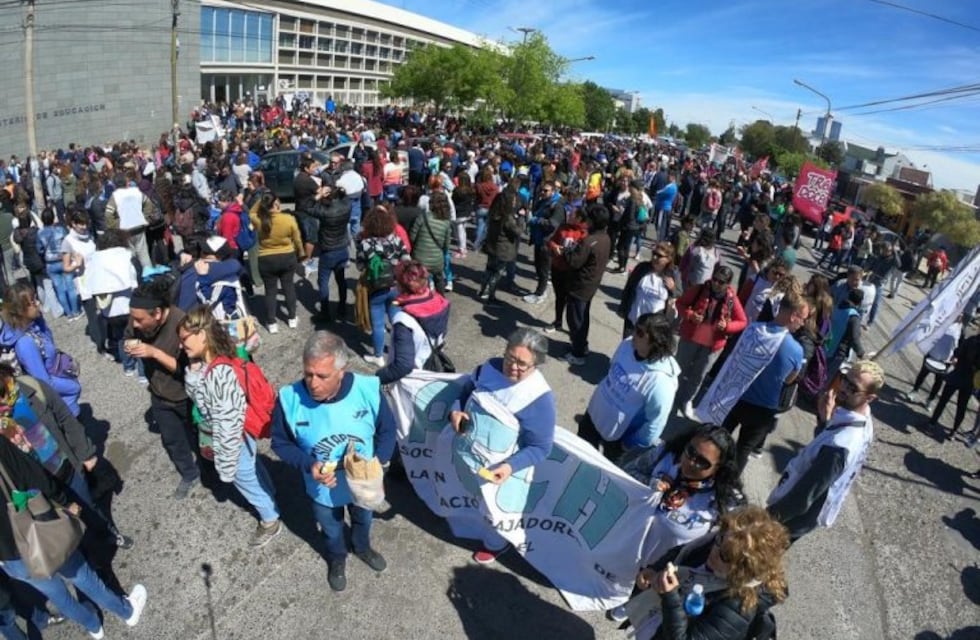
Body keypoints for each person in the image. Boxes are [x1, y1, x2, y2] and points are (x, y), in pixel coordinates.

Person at [271, 331, 396, 592]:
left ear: (341, 371)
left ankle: (362, 547)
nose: (312, 383)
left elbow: (387, 430)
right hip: (322, 487)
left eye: (322, 376)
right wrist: (308, 464)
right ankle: (337, 558)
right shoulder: (289, 398)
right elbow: (280, 443)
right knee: (331, 527)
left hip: (362, 482)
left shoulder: (367, 389)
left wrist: (379, 462)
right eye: (308, 373)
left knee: (363, 518)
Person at [0, 436, 147, 640]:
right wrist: (64, 501)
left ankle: (93, 626)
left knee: (57, 594)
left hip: (9, 557)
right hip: (37, 528)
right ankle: (127, 612)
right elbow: (34, 475)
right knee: (81, 576)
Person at [448, 328, 556, 564]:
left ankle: (496, 544)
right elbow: (466, 390)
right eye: (509, 357)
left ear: (536, 365)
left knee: (494, 510)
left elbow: (540, 447)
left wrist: (509, 466)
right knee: (470, 495)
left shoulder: (540, 399)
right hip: (469, 453)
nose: (512, 367)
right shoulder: (490, 366)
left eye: (521, 364)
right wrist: (456, 409)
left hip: (500, 468)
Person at [178, 306, 282, 547]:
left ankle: (270, 520)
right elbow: (203, 402)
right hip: (245, 432)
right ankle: (270, 492)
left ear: (202, 335)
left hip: (234, 438)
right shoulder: (220, 355)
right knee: (252, 466)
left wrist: (225, 467)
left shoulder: (219, 374)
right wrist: (193, 374)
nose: (181, 345)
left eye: (184, 339)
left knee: (244, 478)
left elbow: (226, 423)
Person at [633, 506, 789, 640]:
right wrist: (656, 568)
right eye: (719, 539)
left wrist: (670, 598)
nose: (714, 552)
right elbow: (682, 553)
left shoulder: (737, 608)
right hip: (656, 623)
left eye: (725, 556)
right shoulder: (722, 543)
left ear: (743, 570)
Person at [768, 360, 883, 542]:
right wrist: (824, 421)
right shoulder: (864, 419)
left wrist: (767, 519)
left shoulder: (840, 446)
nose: (844, 388)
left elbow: (802, 497)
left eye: (854, 388)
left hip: (789, 521)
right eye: (845, 379)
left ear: (870, 398)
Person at [698, 292, 808, 473]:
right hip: (763, 408)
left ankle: (702, 470)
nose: (803, 323)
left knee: (717, 438)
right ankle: (726, 486)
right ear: (793, 316)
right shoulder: (796, 349)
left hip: (735, 397)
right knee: (743, 449)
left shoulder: (753, 329)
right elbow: (789, 379)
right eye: (802, 318)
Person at [124, 278, 200, 499]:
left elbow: (188, 370)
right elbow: (128, 336)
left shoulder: (183, 325)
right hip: (159, 394)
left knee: (199, 437)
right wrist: (129, 345)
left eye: (139, 320)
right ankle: (189, 474)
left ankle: (212, 473)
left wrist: (155, 353)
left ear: (157, 313)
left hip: (186, 395)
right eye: (133, 318)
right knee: (173, 439)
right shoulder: (137, 320)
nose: (135, 324)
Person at [576, 313, 680, 461]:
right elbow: (612, 369)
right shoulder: (627, 344)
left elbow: (654, 424)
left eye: (640, 332)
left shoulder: (661, 382)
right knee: (578, 456)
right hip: (593, 415)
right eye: (635, 328)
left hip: (618, 438)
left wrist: (629, 444)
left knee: (606, 474)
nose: (633, 334)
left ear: (656, 341)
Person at [673, 265, 747, 420]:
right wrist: (690, 314)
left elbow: (742, 321)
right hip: (691, 338)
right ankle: (670, 393)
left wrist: (727, 326)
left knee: (698, 375)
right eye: (715, 279)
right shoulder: (699, 289)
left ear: (728, 284)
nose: (716, 284)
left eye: (721, 282)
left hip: (712, 345)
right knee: (679, 368)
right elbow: (680, 303)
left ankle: (687, 400)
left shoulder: (732, 299)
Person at [0, 283, 82, 416]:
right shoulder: (25, 343)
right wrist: (74, 387)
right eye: (33, 302)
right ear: (21, 310)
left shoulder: (35, 326)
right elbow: (43, 382)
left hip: (66, 401)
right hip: (62, 409)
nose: (38, 303)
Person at [375, 261, 450, 385]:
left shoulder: (404, 320)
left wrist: (377, 378)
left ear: (400, 285)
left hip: (413, 380)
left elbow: (403, 366)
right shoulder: (440, 302)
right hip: (432, 366)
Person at [356, 206, 410, 367]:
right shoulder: (395, 239)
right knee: (396, 320)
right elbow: (406, 258)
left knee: (378, 324)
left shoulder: (365, 243)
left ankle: (378, 356)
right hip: (394, 286)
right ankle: (399, 351)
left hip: (376, 287)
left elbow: (359, 266)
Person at [561, 204, 612, 366]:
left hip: (580, 286)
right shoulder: (606, 238)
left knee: (575, 319)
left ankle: (578, 353)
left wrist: (567, 250)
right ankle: (581, 345)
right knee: (583, 318)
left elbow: (574, 262)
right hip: (591, 285)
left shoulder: (589, 241)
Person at [250, 193, 303, 334]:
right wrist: (301, 253)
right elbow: (297, 239)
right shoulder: (288, 219)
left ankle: (272, 322)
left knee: (270, 291)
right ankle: (292, 318)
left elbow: (252, 212)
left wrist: (263, 199)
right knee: (289, 288)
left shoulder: (259, 220)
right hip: (287, 256)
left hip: (266, 258)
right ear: (276, 204)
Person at [924, 333, 980, 442]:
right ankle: (953, 431)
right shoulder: (972, 339)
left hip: (958, 374)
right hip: (970, 380)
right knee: (961, 407)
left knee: (943, 400)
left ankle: (932, 422)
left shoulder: (972, 339)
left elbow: (958, 351)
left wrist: (958, 358)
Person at [477, 181, 526, 305]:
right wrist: (521, 218)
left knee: (489, 269)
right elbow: (518, 231)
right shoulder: (507, 217)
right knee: (497, 273)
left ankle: (483, 291)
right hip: (502, 249)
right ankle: (490, 296)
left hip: (492, 245)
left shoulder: (494, 214)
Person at [308, 185, 352, 322]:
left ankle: (325, 312)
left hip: (328, 250)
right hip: (342, 248)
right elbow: (346, 199)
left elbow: (309, 208)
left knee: (323, 282)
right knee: (341, 280)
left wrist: (318, 196)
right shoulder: (346, 207)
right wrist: (340, 192)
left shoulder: (324, 212)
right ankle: (342, 308)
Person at [903, 317, 963, 413]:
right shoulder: (942, 320)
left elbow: (960, 346)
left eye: (961, 315)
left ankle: (930, 400)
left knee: (938, 381)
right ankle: (914, 391)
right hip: (932, 353)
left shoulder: (960, 329)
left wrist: (956, 357)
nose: (959, 316)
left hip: (945, 360)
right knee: (923, 374)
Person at [618, 242, 676, 338]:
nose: (654, 258)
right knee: (627, 348)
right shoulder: (642, 268)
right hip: (633, 320)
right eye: (654, 253)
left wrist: (673, 288)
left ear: (668, 259)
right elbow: (629, 288)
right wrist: (623, 308)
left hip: (653, 326)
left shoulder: (672, 275)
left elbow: (680, 296)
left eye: (659, 256)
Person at [36, 208, 81, 321]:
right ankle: (76, 311)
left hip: (50, 263)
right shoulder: (60, 230)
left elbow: (39, 249)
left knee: (59, 289)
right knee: (70, 287)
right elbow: (68, 242)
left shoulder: (40, 233)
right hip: (63, 259)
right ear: (52, 218)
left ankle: (68, 313)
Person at [524, 181, 565, 304]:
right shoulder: (543, 201)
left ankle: (540, 294)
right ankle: (542, 290)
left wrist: (536, 220)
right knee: (538, 266)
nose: (542, 192)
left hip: (547, 242)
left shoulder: (557, 206)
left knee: (543, 269)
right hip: (539, 239)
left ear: (553, 191)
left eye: (546, 190)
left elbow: (553, 224)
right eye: (542, 190)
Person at [409, 191, 452, 295]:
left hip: (420, 258)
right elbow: (446, 245)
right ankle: (441, 299)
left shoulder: (423, 217)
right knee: (439, 278)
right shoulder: (446, 222)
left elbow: (412, 237)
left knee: (419, 280)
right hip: (437, 260)